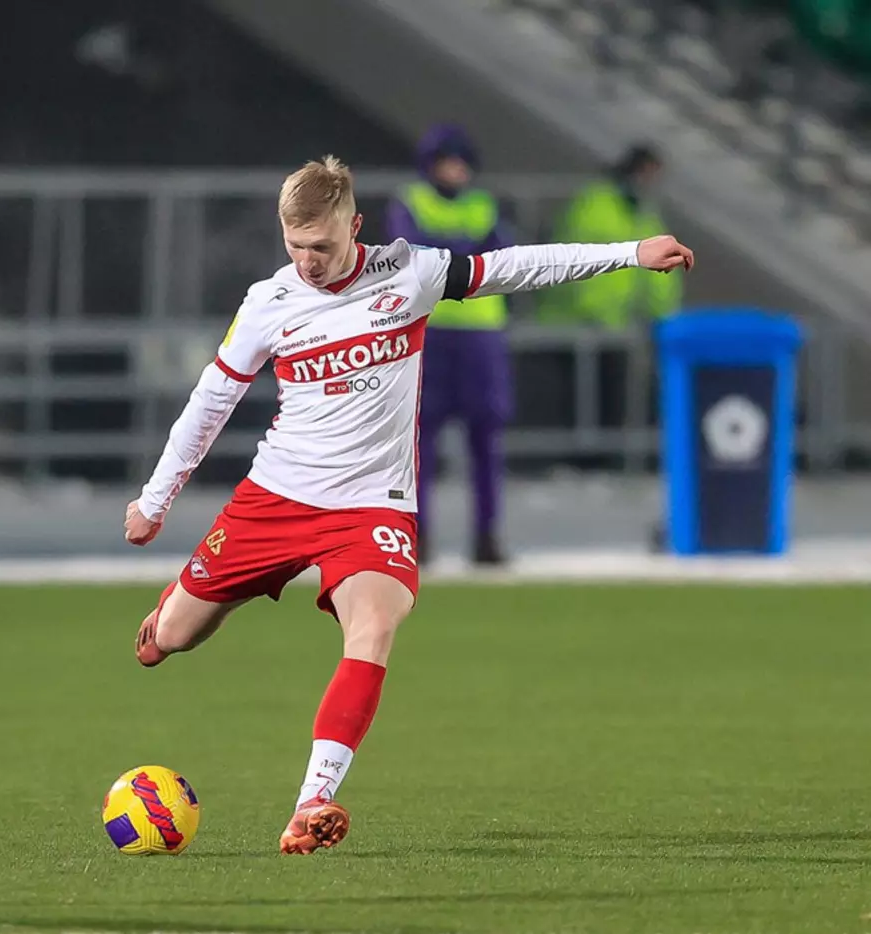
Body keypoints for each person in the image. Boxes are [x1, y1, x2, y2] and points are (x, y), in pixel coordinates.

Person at [123, 156, 693, 855]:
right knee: (171, 639)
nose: (307, 261)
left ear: (354, 227)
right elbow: (211, 403)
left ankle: (311, 802)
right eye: (295, 246)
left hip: (373, 508)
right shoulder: (269, 302)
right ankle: (170, 615)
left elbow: (515, 267)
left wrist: (630, 253)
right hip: (276, 499)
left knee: (373, 628)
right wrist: (155, 500)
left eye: (321, 246)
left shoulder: (410, 272)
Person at [386, 124, 513, 565]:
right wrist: (464, 253)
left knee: (486, 442)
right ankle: (416, 536)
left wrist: (444, 251)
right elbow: (411, 254)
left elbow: (499, 255)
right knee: (419, 443)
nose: (455, 171)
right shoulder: (411, 200)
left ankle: (487, 536)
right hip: (429, 332)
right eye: (446, 162)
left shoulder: (483, 204)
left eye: (461, 163)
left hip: (480, 335)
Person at [538, 143, 682, 331]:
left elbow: (660, 274)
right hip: (572, 322)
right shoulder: (595, 204)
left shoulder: (644, 217)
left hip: (612, 324)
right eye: (646, 175)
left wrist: (664, 315)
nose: (648, 184)